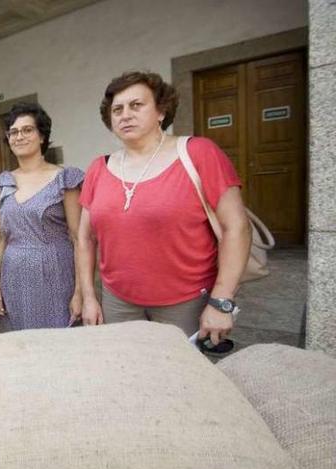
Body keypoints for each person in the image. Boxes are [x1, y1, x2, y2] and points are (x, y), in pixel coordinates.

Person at [76, 71, 251, 350]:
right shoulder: (99, 168)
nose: (125, 115)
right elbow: (85, 238)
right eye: (117, 109)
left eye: (137, 105)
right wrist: (88, 296)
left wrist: (221, 301)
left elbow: (237, 228)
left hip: (184, 303)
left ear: (161, 111)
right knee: (126, 369)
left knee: (181, 379)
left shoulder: (198, 153)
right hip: (118, 302)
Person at [0, 103, 84, 330]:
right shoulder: (3, 182)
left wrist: (80, 292)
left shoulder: (65, 179)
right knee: (20, 348)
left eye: (27, 130)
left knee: (57, 345)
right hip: (13, 278)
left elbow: (78, 237)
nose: (18, 137)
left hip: (56, 275)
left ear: (42, 136)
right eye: (13, 132)